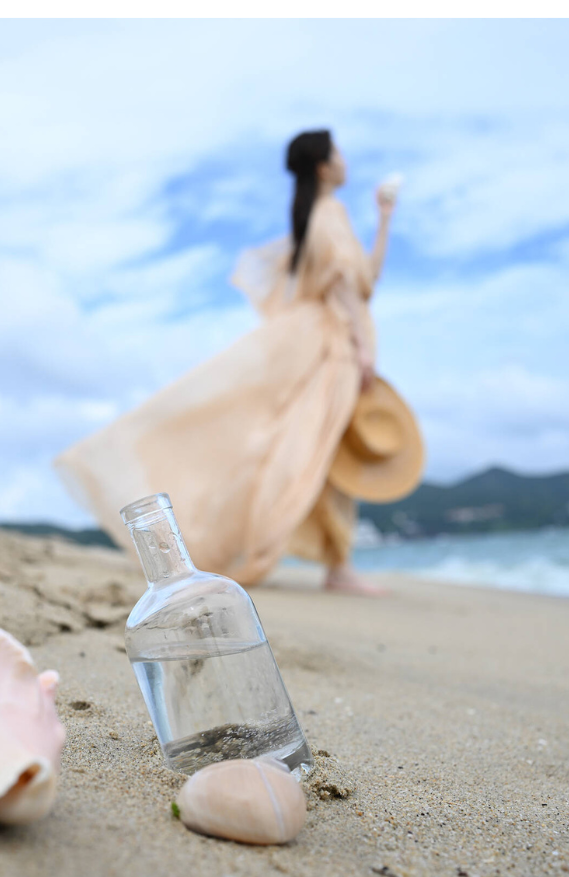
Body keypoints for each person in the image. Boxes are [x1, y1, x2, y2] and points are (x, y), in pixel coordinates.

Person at [55, 128, 398, 594]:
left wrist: (384, 217)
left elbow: (366, 281)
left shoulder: (320, 216)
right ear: (323, 166)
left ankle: (337, 562)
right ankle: (336, 566)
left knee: (311, 449)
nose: (344, 159)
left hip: (329, 344)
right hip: (332, 348)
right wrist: (365, 350)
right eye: (337, 152)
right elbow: (345, 290)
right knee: (312, 451)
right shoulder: (327, 215)